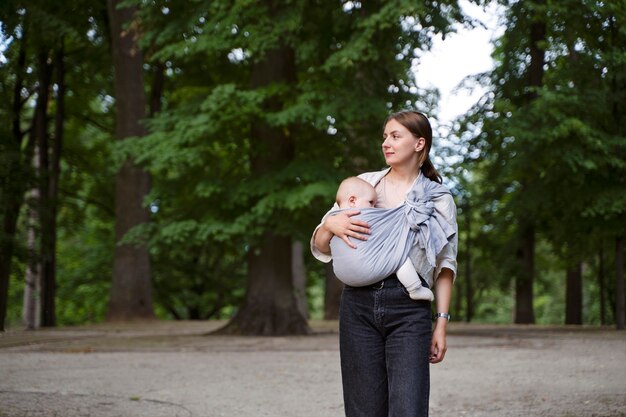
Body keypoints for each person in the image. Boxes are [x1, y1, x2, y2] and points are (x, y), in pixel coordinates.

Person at [311, 111, 457, 417]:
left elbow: (445, 265)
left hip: (409, 306)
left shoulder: (438, 199)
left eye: (395, 136)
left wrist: (440, 324)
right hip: (357, 305)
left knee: (408, 407)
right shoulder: (365, 185)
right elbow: (324, 243)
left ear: (419, 143)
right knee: (363, 408)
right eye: (384, 137)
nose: (386, 143)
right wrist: (330, 226)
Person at [331, 176, 435, 301]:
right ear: (352, 201)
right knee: (397, 253)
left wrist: (328, 225)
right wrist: (406, 206)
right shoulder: (361, 216)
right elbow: (391, 224)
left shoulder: (333, 219)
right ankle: (415, 288)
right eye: (371, 203)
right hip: (365, 272)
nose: (374, 208)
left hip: (343, 276)